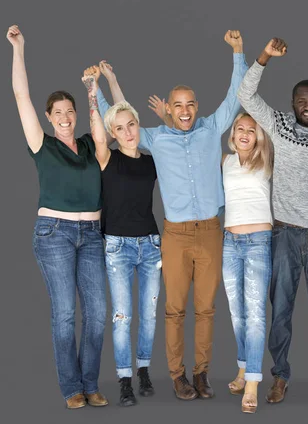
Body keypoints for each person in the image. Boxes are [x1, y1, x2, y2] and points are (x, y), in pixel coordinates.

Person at [96, 30, 248, 400]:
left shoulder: (213, 128)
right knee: (175, 309)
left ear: (197, 105)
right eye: (177, 105)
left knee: (207, 309)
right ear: (169, 106)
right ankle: (178, 376)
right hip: (176, 234)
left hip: (212, 230)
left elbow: (236, 95)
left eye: (190, 104)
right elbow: (119, 119)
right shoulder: (154, 138)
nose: (184, 111)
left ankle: (201, 374)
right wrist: (97, 87)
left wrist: (238, 52)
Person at [236, 38, 308, 404]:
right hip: (282, 232)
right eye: (302, 101)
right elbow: (246, 95)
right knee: (280, 310)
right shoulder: (280, 125)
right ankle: (279, 376)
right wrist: (264, 57)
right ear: (292, 104)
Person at [7, 25, 108, 409]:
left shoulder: (88, 144)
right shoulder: (42, 145)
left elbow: (103, 139)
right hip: (55, 234)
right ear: (49, 117)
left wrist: (91, 93)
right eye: (58, 113)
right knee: (66, 314)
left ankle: (90, 382)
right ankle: (72, 388)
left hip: (93, 233)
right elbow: (21, 96)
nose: (65, 118)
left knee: (97, 314)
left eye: (70, 112)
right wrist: (20, 48)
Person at [82, 62, 161, 407]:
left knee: (149, 314)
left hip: (151, 246)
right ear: (112, 133)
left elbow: (123, 110)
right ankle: (125, 378)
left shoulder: (150, 160)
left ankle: (144, 369)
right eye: (120, 129)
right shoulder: (106, 158)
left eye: (132, 126)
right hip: (117, 246)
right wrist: (93, 91)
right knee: (122, 317)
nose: (128, 131)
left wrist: (113, 80)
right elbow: (106, 120)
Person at [221, 113, 274, 413]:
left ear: (258, 136)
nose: (244, 134)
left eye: (251, 130)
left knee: (255, 314)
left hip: (257, 242)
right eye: (240, 128)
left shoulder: (265, 157)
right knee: (236, 312)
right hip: (230, 242)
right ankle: (243, 367)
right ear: (233, 133)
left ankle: (252, 381)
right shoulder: (225, 162)